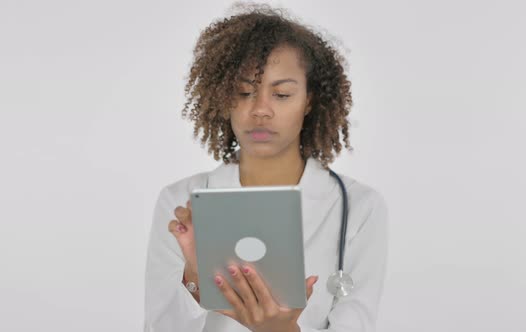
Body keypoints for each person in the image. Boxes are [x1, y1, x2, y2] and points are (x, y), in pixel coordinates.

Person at [144, 3, 388, 331]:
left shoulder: (359, 207)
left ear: (310, 100)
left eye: (282, 94)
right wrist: (194, 281)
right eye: (244, 92)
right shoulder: (182, 202)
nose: (260, 110)